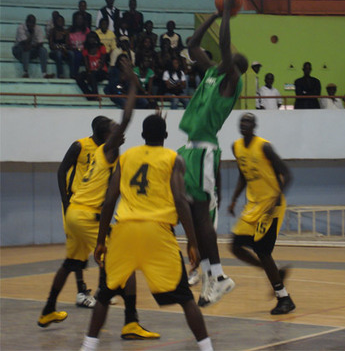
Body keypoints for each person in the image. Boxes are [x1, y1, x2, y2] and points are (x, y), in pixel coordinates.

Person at [40, 62, 160, 342]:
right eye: (115, 128)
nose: (120, 129)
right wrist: (132, 84)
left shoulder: (110, 154)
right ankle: (130, 322)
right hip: (87, 215)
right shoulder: (106, 150)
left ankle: (48, 309)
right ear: (108, 135)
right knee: (125, 265)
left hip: (74, 215)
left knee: (72, 262)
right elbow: (128, 117)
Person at [79, 114, 214, 351]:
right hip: (157, 232)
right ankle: (207, 348)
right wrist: (192, 242)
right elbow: (181, 201)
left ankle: (87, 347)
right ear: (166, 136)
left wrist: (101, 240)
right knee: (185, 299)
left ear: (141, 136)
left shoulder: (127, 156)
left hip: (124, 231)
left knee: (104, 294)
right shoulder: (174, 158)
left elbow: (109, 199)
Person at [177, 0, 248, 307]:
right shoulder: (210, 73)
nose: (224, 57)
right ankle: (211, 276)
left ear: (234, 67)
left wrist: (228, 17)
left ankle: (219, 276)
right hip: (188, 149)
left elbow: (222, 46)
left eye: (230, 58)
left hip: (205, 149)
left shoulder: (230, 81)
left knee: (203, 216)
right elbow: (193, 45)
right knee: (190, 216)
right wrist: (214, 16)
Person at [227, 113, 295, 314]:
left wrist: (277, 198)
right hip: (252, 204)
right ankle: (274, 272)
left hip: (271, 205)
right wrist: (234, 199)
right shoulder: (236, 147)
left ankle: (284, 299)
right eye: (242, 121)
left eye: (248, 121)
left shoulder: (264, 146)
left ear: (254, 126)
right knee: (236, 246)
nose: (244, 124)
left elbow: (288, 174)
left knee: (263, 251)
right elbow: (243, 174)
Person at [56, 115, 111, 307]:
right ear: (102, 132)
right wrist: (65, 202)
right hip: (75, 204)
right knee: (77, 251)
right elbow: (61, 171)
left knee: (103, 247)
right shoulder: (79, 146)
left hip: (93, 206)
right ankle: (81, 292)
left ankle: (102, 292)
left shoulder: (106, 152)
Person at [12, 14, 54, 78]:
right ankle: (25, 72)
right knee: (25, 48)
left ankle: (44, 73)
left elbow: (41, 43)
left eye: (33, 23)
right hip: (18, 50)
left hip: (32, 48)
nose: (31, 24)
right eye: (29, 22)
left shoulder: (38, 28)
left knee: (43, 50)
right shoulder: (20, 28)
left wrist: (32, 46)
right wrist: (31, 34)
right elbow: (25, 43)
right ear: (26, 22)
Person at [76, 32, 108, 100]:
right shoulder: (86, 49)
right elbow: (86, 63)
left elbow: (102, 62)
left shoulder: (101, 47)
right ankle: (89, 95)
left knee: (93, 74)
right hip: (91, 71)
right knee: (79, 76)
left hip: (102, 71)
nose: (91, 40)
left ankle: (95, 95)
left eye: (93, 38)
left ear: (96, 39)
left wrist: (95, 71)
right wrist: (89, 72)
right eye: (90, 38)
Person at [68, 12, 90, 78]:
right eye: (77, 19)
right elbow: (67, 43)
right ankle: (74, 74)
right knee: (76, 54)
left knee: (81, 54)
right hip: (73, 50)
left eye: (81, 19)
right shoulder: (70, 30)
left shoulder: (87, 30)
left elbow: (89, 42)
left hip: (84, 50)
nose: (79, 20)